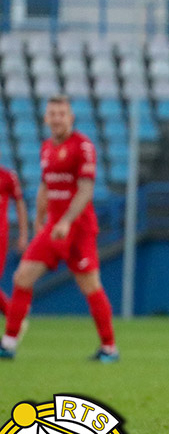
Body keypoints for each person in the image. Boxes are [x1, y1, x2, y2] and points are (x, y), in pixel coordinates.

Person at [0, 96, 119, 362]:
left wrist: (67, 220)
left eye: (61, 114)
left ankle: (109, 348)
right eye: (52, 114)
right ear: (46, 118)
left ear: (70, 118)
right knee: (22, 277)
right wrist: (39, 217)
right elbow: (46, 185)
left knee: (90, 286)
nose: (56, 119)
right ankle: (8, 344)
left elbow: (86, 190)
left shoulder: (83, 147)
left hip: (79, 228)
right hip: (53, 228)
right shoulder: (46, 148)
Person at [0, 153, 29, 318]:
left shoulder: (7, 176)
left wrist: (23, 235)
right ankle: (14, 316)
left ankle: (13, 316)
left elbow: (20, 204)